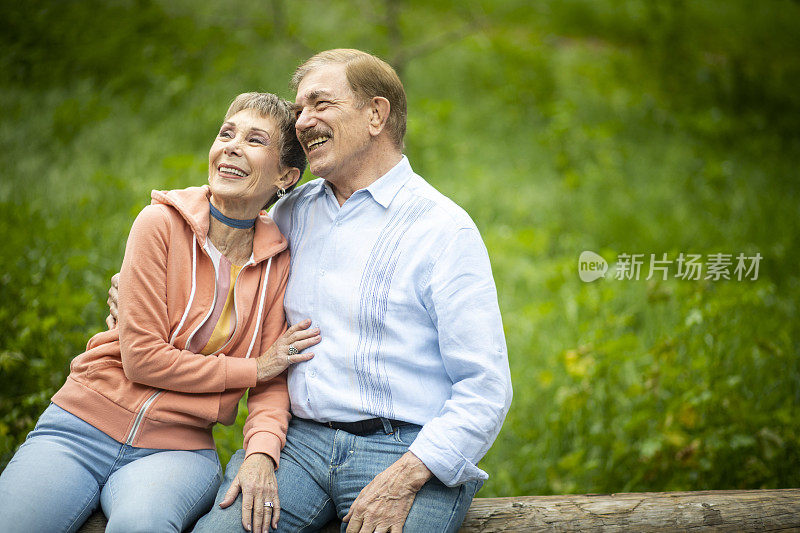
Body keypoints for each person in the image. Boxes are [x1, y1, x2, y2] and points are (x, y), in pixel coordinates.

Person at [0, 92, 320, 533]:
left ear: (285, 175)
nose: (231, 145)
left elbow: (273, 381)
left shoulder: (278, 262)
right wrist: (252, 368)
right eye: (226, 133)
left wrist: (262, 454)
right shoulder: (159, 224)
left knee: (142, 525)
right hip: (80, 425)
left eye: (254, 140)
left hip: (178, 450)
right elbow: (142, 359)